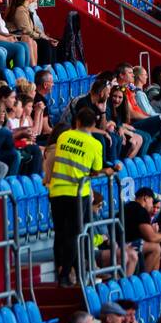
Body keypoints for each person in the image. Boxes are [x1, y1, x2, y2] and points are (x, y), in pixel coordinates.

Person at [45, 105, 111, 287]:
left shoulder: (64, 136)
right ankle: (65, 275)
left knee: (60, 234)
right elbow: (96, 170)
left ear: (77, 121)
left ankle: (62, 270)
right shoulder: (95, 144)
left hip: (57, 191)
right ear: (94, 123)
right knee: (74, 234)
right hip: (77, 193)